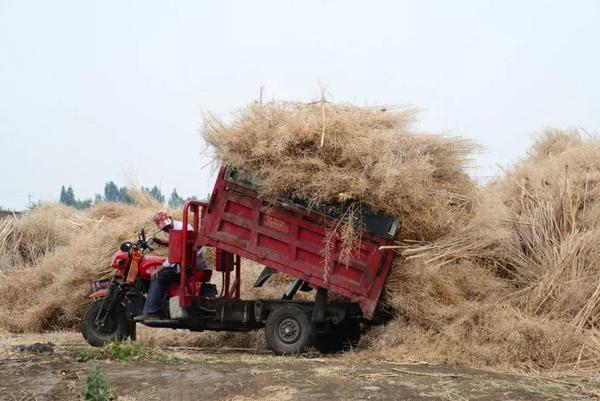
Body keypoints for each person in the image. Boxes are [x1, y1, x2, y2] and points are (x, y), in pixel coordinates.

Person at [134, 211, 208, 322]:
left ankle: (152, 312)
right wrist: (158, 241)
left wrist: (161, 268)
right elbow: (174, 243)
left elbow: (179, 253)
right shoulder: (173, 229)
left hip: (191, 266)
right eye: (164, 228)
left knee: (158, 276)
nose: (166, 229)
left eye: (167, 226)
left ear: (171, 218)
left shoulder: (182, 229)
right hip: (187, 262)